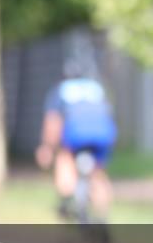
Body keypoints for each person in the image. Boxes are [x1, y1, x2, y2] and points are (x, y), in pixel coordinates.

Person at [35, 61, 117, 221]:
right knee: (98, 173)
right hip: (103, 134)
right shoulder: (97, 88)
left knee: (64, 159)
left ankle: (66, 200)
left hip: (76, 135)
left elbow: (53, 122)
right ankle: (102, 216)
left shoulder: (60, 90)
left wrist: (47, 148)